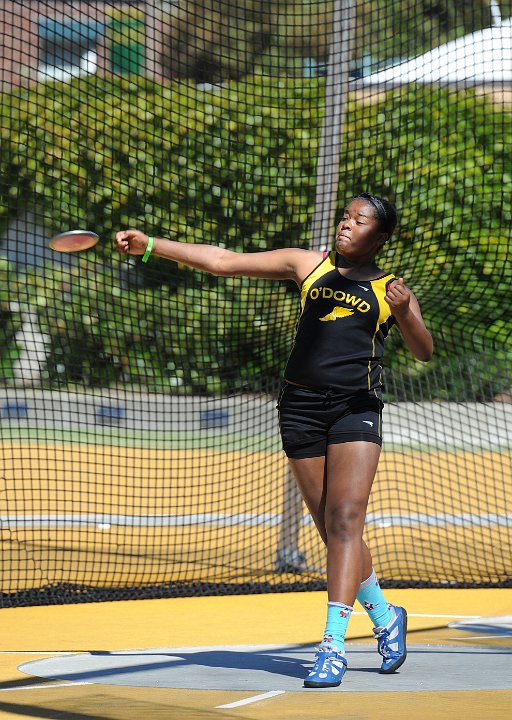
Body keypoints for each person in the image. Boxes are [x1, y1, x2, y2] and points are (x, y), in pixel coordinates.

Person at [115, 192, 433, 688]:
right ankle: (387, 616)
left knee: (346, 519)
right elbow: (222, 261)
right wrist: (151, 245)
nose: (347, 226)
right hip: (301, 408)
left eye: (360, 221)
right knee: (332, 531)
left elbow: (424, 350)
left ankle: (332, 647)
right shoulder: (307, 265)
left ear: (381, 236)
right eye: (345, 217)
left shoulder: (392, 289)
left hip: (355, 409)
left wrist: (408, 313)